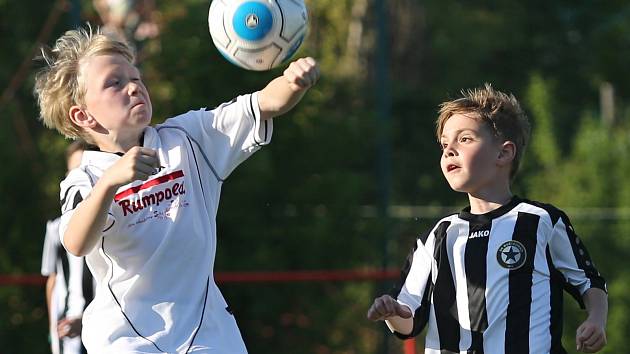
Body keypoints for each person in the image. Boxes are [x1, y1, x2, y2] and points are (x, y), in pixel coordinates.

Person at [33, 25, 319, 353]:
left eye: (136, 78)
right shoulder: (85, 178)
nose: (133, 87)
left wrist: (293, 80)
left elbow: (263, 104)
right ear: (83, 116)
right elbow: (75, 243)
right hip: (127, 340)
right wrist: (112, 182)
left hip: (208, 334)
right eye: (115, 82)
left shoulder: (189, 138)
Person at [367, 84, 608, 353]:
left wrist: (596, 319)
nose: (449, 150)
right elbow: (408, 320)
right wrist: (392, 311)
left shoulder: (540, 222)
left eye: (465, 139)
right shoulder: (438, 236)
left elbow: (589, 281)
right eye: (445, 144)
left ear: (503, 153)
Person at [41, 140, 94, 354]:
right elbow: (52, 279)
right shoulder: (56, 228)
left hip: (108, 325)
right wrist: (54, 326)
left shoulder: (119, 223)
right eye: (74, 171)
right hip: (69, 325)